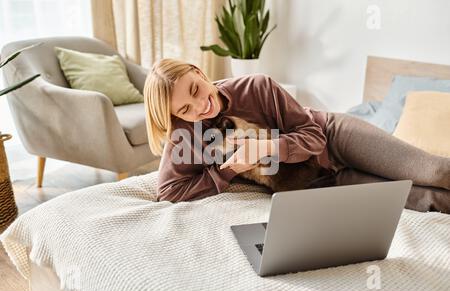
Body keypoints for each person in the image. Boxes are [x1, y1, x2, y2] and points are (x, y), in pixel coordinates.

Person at [143, 58, 450, 213]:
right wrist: (229, 169)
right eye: (185, 108)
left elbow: (313, 136)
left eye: (196, 90)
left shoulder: (256, 87)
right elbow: (169, 191)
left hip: (334, 139)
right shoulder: (186, 134)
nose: (200, 105)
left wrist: (267, 147)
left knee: (435, 172)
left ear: (199, 72)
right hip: (315, 185)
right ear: (177, 116)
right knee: (429, 199)